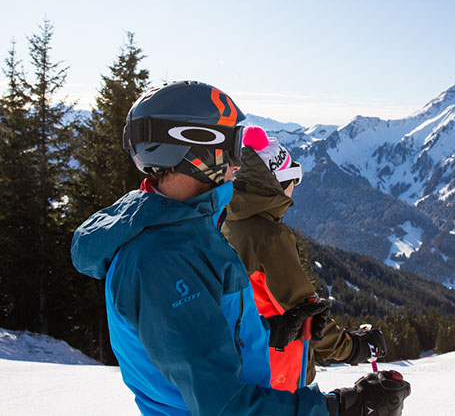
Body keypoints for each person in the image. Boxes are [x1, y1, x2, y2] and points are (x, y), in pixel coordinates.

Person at [70, 81, 411, 416]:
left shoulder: (189, 232)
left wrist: (277, 330)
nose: (238, 163)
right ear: (196, 147)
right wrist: (343, 407)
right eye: (233, 146)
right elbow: (224, 405)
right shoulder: (163, 258)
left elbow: (206, 333)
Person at [222, 126, 389, 392]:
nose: (294, 190)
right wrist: (357, 347)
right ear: (275, 185)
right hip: (277, 371)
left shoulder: (224, 219)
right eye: (293, 181)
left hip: (239, 365)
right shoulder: (269, 237)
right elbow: (307, 317)